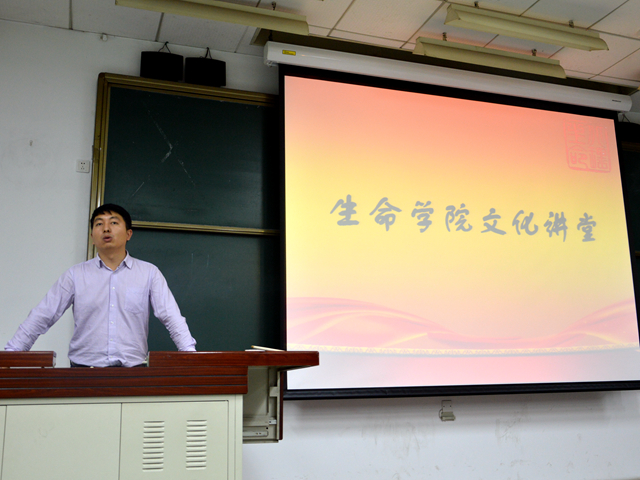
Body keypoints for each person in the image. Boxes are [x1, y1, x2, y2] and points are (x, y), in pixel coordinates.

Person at [5, 204, 196, 367]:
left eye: (114, 223)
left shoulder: (149, 273)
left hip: (133, 372)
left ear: (128, 234)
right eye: (99, 224)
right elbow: (43, 315)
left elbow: (171, 316)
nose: (106, 229)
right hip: (83, 372)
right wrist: (10, 355)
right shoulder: (75, 275)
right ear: (92, 235)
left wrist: (190, 355)